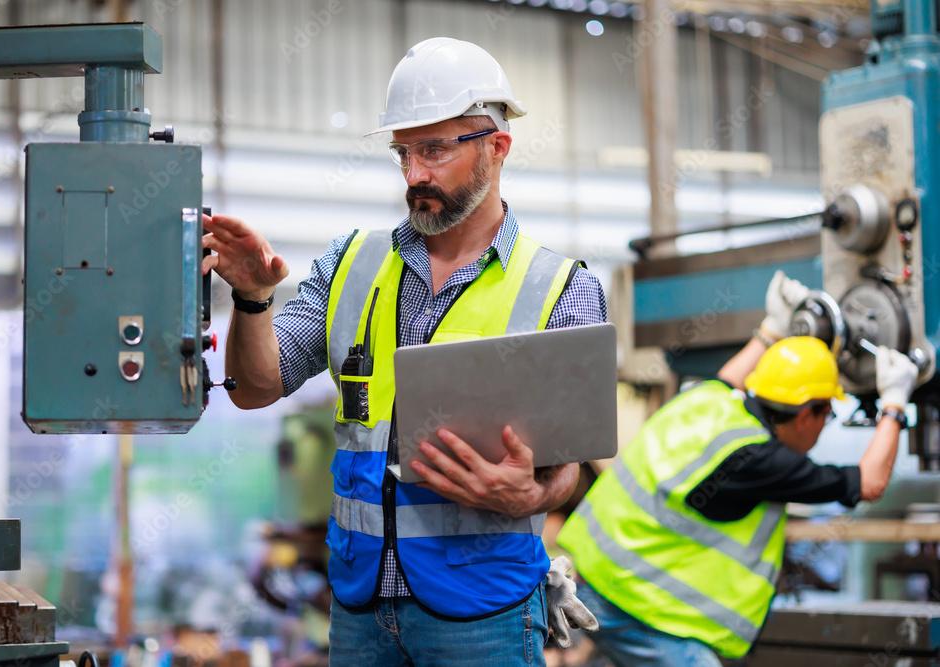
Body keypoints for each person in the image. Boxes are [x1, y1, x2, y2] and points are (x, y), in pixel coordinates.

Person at [201, 37, 606, 665]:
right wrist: (253, 298)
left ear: (497, 148)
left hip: (484, 614)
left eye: (436, 149)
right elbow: (256, 388)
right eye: (404, 153)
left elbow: (568, 469)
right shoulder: (350, 266)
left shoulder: (561, 288)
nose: (415, 174)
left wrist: (532, 498)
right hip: (361, 608)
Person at [557, 270, 921, 666]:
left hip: (590, 579)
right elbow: (869, 482)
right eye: (827, 413)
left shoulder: (711, 398)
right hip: (640, 605)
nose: (825, 424)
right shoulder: (765, 460)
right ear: (805, 416)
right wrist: (895, 404)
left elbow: (733, 375)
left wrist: (771, 329)